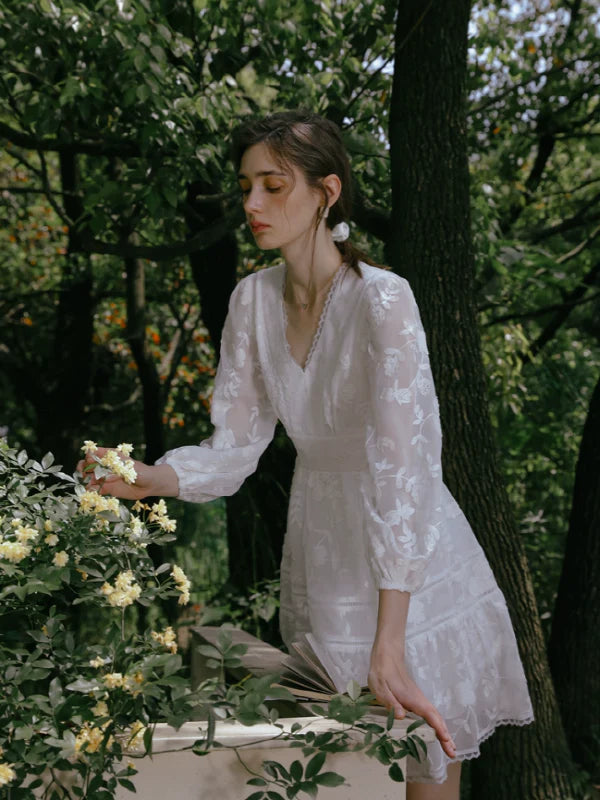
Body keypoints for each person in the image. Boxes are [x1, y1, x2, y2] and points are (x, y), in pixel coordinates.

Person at [81, 111, 533, 798]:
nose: (252, 205)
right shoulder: (251, 301)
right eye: (245, 188)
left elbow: (402, 472)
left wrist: (391, 642)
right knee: (344, 777)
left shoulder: (383, 301)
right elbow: (235, 448)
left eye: (273, 186)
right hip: (322, 557)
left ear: (326, 192)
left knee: (421, 773)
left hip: (410, 576)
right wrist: (152, 478)